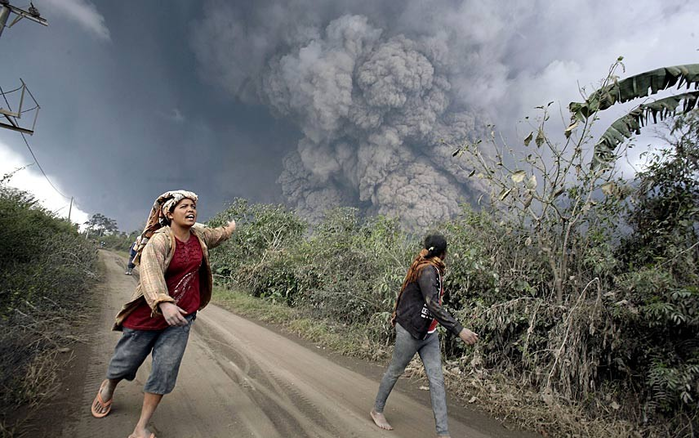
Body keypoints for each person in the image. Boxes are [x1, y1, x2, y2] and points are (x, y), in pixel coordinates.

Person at [90, 190, 236, 438]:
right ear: (169, 213)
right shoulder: (159, 240)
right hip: (147, 316)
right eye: (184, 206)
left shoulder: (198, 235)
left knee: (165, 370)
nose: (190, 210)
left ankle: (141, 427)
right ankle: (109, 386)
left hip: (181, 317)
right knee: (124, 363)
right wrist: (163, 302)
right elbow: (149, 273)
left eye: (193, 206)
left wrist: (229, 229)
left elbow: (215, 235)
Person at [370, 234, 478, 438]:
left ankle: (443, 433)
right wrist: (459, 330)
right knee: (395, 371)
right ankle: (377, 410)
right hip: (410, 331)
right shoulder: (427, 271)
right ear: (444, 254)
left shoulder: (431, 268)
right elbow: (432, 304)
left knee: (437, 380)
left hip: (429, 334)